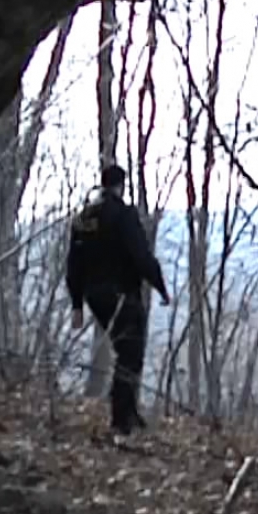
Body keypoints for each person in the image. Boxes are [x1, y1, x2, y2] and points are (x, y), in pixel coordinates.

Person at [66, 164, 169, 436]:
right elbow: (141, 254)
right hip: (120, 293)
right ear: (121, 185)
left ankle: (128, 412)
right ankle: (121, 418)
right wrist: (161, 287)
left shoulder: (84, 218)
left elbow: (73, 263)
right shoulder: (123, 215)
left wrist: (76, 303)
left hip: (93, 295)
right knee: (130, 352)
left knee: (124, 349)